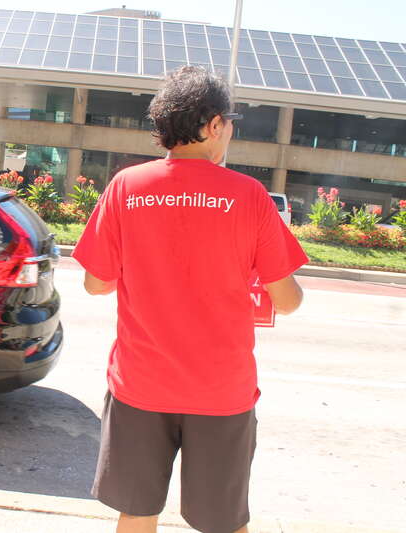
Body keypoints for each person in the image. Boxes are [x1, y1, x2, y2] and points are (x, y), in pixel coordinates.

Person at [73, 66, 307, 533]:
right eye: (231, 123)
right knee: (223, 522)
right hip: (220, 390)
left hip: (140, 383)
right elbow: (287, 300)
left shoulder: (126, 187)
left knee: (137, 512)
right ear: (214, 125)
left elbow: (96, 284)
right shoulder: (250, 196)